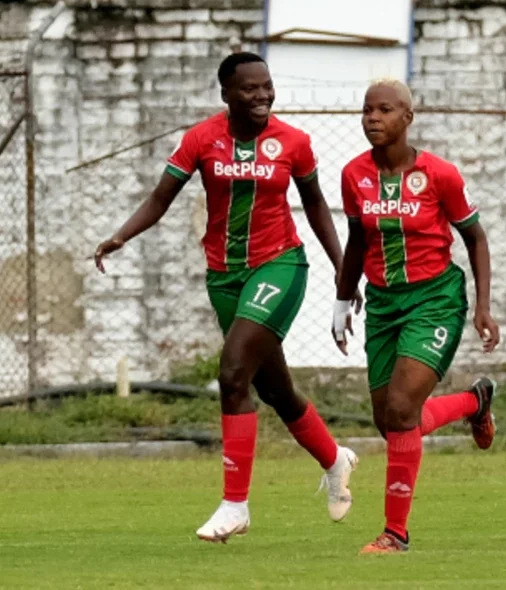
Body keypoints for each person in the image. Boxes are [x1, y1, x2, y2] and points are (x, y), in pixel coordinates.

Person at [94, 52, 362, 544]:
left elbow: (317, 205)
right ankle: (334, 458)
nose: (262, 96)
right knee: (274, 390)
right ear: (226, 94)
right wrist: (120, 236)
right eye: (249, 89)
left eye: (267, 87)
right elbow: (160, 198)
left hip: (280, 264)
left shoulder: (293, 142)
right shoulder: (201, 138)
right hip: (223, 275)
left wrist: (344, 269)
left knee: (232, 372)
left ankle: (235, 505)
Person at [332, 79, 500, 554]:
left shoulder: (439, 174)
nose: (373, 118)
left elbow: (476, 238)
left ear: (408, 117)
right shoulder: (353, 175)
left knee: (403, 410)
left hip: (435, 300)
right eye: (367, 110)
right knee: (389, 421)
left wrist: (483, 307)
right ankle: (474, 402)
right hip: (383, 304)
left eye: (385, 110)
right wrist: (343, 300)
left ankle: (395, 533)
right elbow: (357, 241)